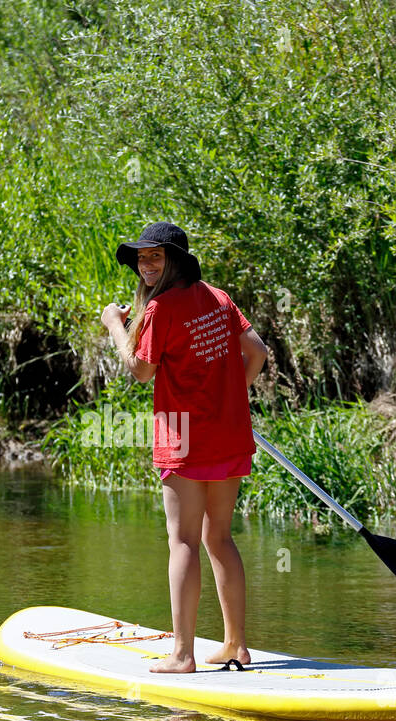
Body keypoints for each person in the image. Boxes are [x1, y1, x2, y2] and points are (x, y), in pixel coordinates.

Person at [99, 222, 269, 673]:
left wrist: (116, 325)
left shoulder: (159, 309)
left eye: (156, 256)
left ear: (175, 258)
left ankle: (182, 655)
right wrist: (228, 398)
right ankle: (235, 644)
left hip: (185, 439)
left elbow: (140, 370)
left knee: (184, 542)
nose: (146, 264)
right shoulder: (217, 297)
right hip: (230, 433)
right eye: (141, 257)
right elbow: (257, 353)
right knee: (219, 537)